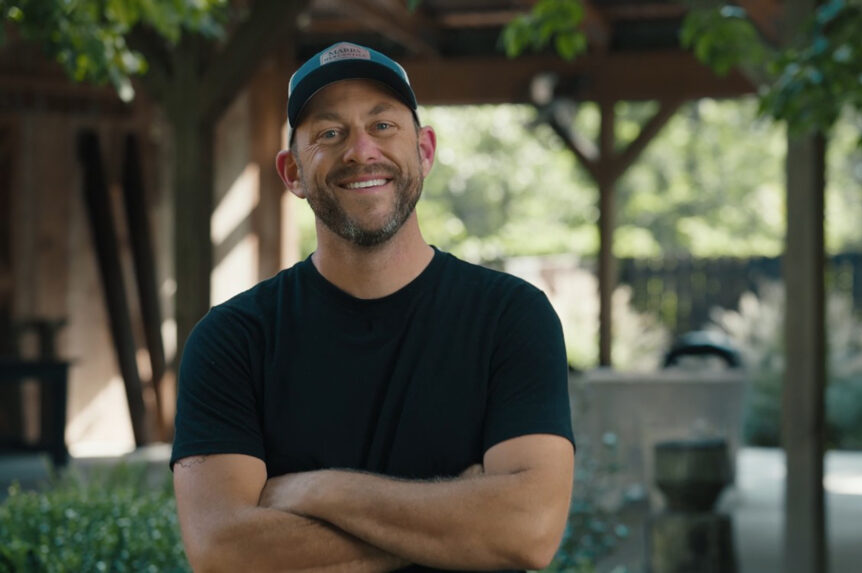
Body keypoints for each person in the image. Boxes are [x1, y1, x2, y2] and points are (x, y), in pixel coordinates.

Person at [170, 41, 575, 572]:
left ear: (424, 151)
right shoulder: (232, 340)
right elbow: (223, 551)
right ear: (292, 172)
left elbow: (527, 530)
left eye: (383, 126)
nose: (361, 151)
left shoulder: (511, 317)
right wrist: (460, 516)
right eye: (329, 133)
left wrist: (319, 490)